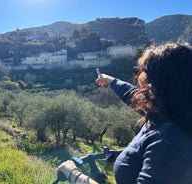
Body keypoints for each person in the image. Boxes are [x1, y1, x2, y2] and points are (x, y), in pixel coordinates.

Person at [56, 42, 192, 184]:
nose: (139, 76)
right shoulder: (171, 112)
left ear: (160, 82)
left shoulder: (170, 142)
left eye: (144, 71)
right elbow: (132, 95)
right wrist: (108, 79)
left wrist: (73, 174)